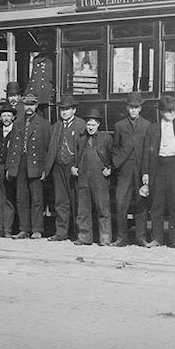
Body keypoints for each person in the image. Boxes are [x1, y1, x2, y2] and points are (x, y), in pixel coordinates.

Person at [145, 95, 175, 248]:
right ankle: (156, 238)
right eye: (168, 110)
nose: (172, 113)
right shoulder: (152, 128)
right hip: (158, 166)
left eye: (173, 110)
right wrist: (146, 172)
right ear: (161, 112)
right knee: (157, 205)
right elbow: (146, 152)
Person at [7, 90, 50, 239]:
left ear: (36, 105)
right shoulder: (17, 123)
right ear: (23, 105)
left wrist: (45, 168)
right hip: (20, 163)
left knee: (37, 198)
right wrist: (10, 167)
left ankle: (37, 229)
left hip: (36, 165)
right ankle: (24, 229)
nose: (29, 107)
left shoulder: (43, 124)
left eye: (32, 104)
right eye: (26, 105)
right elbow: (12, 146)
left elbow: (47, 148)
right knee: (21, 197)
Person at [110, 91, 151, 246]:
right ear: (127, 108)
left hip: (140, 169)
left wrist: (145, 172)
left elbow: (148, 150)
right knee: (121, 202)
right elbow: (114, 148)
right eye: (131, 107)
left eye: (136, 107)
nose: (134, 110)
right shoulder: (119, 125)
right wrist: (117, 162)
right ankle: (121, 238)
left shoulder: (147, 125)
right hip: (125, 169)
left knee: (141, 202)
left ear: (140, 108)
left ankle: (140, 237)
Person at [72, 105, 113, 246]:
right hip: (83, 177)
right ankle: (84, 237)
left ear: (98, 125)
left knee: (103, 209)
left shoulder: (105, 138)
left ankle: (105, 238)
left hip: (100, 179)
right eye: (88, 124)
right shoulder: (81, 139)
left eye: (93, 125)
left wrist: (110, 168)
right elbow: (77, 156)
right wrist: (74, 167)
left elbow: (113, 156)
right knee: (83, 209)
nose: (90, 127)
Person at [44, 94, 82, 242]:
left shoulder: (81, 125)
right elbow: (50, 148)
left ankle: (77, 232)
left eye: (67, 109)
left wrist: (77, 166)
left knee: (76, 200)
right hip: (58, 167)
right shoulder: (56, 127)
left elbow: (83, 148)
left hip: (73, 168)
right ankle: (61, 232)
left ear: (74, 110)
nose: (64, 112)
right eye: (62, 110)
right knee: (61, 201)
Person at [0, 101, 18, 239]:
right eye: (4, 116)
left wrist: (10, 168)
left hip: (8, 168)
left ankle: (7, 229)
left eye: (8, 115)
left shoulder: (16, 132)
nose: (6, 118)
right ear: (1, 118)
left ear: (13, 117)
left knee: (8, 198)